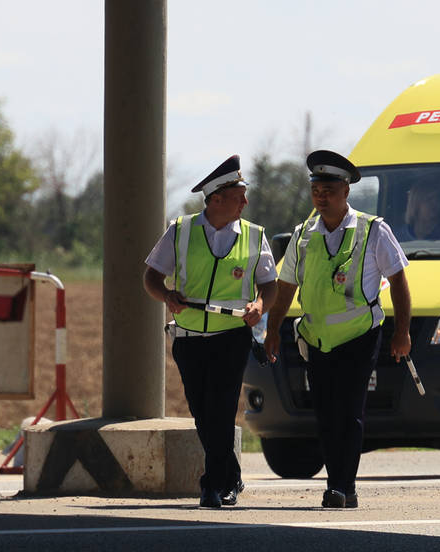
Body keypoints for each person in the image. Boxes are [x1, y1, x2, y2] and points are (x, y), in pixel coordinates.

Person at [264, 149, 412, 509]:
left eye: (329, 189)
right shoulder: (302, 235)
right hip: (316, 339)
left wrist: (402, 333)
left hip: (360, 337)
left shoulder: (373, 230)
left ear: (346, 191)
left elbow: (399, 283)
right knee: (326, 413)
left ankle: (343, 485)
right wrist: (271, 332)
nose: (322, 196)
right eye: (317, 190)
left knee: (349, 410)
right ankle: (337, 482)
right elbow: (285, 289)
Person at [143, 155, 278, 509]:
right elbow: (151, 277)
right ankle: (230, 476)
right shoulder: (181, 230)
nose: (245, 203)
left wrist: (260, 306)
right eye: (239, 196)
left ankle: (212, 485)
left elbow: (269, 284)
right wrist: (166, 295)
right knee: (202, 411)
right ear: (216, 198)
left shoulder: (254, 236)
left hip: (232, 337)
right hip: (189, 338)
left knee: (219, 407)